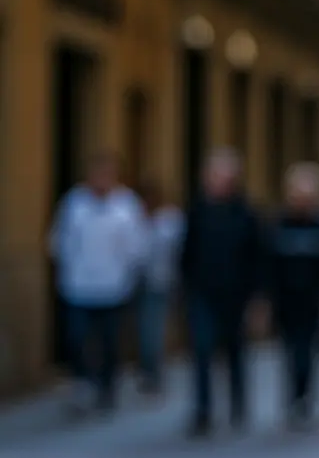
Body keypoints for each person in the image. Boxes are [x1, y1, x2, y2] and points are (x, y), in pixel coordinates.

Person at [48, 151, 147, 415]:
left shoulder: (126, 205)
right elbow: (60, 240)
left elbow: (135, 246)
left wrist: (126, 274)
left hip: (114, 287)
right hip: (78, 285)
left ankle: (106, 387)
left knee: (110, 341)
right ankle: (82, 385)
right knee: (77, 337)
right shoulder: (74, 202)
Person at [179, 148, 262, 437]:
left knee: (234, 352)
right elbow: (186, 254)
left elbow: (255, 257)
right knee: (201, 351)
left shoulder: (245, 214)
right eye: (214, 175)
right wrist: (187, 288)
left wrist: (255, 298)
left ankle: (238, 406)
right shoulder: (198, 211)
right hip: (202, 294)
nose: (218, 181)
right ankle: (203, 410)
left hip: (235, 295)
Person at [265, 162, 319, 430]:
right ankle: (295, 397)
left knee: (308, 353)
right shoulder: (279, 227)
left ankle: (304, 397)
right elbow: (269, 266)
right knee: (290, 353)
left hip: (313, 303)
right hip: (286, 302)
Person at [136, 178, 185, 396]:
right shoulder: (131, 217)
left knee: (151, 331)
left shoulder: (171, 220)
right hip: (129, 283)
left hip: (160, 283)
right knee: (143, 329)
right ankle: (146, 370)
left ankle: (152, 373)